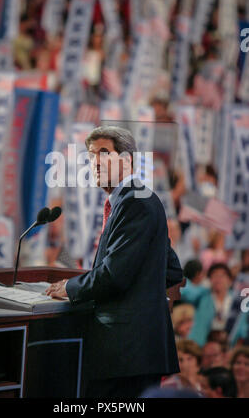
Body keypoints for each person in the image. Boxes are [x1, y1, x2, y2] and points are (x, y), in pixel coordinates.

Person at [46, 125, 183, 398]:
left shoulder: (135, 203)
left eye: (104, 153)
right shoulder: (134, 200)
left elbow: (114, 275)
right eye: (91, 155)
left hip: (127, 353)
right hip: (134, 352)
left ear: (127, 160)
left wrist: (69, 288)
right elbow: (171, 269)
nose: (95, 162)